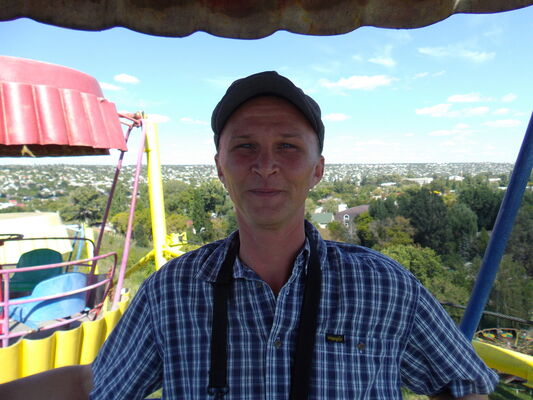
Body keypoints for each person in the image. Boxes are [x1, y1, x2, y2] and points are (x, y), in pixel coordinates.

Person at [0, 71, 498, 399]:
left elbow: (463, 383)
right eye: (244, 148)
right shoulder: (171, 293)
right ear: (220, 168)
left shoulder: (384, 287)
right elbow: (96, 385)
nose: (265, 165)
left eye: (287, 147)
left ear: (318, 169)